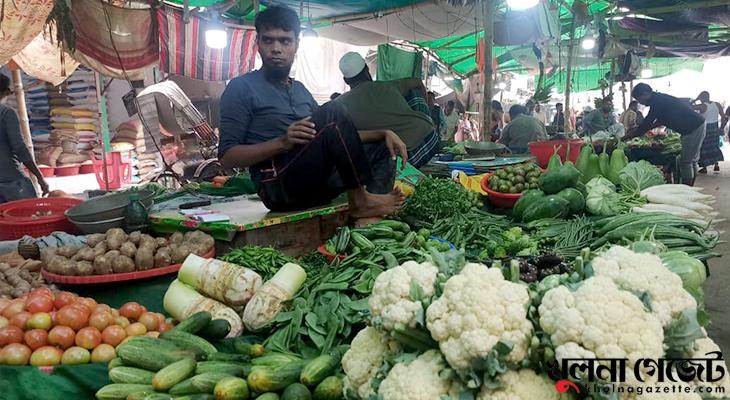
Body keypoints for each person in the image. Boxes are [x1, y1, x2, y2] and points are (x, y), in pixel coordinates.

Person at [217, 5, 405, 223]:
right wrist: (282, 142)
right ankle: (360, 200)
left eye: (285, 41)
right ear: (258, 43)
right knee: (333, 110)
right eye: (268, 40)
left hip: (314, 183)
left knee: (383, 147)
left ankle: (371, 215)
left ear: (296, 44)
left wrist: (382, 133)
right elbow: (227, 157)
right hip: (277, 186)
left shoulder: (300, 91)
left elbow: (334, 135)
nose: (276, 48)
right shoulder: (241, 88)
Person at [335, 52, 440, 168]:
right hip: (431, 138)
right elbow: (418, 83)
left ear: (346, 81)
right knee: (412, 91)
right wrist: (427, 113)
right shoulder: (388, 85)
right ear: (367, 70)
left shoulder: (340, 104)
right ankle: (425, 120)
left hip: (405, 157)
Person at [625, 83, 706, 186]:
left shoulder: (656, 102)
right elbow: (659, 121)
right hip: (696, 125)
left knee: (685, 162)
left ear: (645, 94)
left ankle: (688, 190)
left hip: (693, 128)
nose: (639, 102)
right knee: (692, 160)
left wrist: (625, 137)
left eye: (639, 98)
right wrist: (643, 129)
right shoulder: (659, 99)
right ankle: (691, 188)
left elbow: (645, 125)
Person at [0, 75, 49, 203]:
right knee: (28, 215)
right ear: (5, 92)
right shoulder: (6, 113)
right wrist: (39, 177)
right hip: (11, 182)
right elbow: (19, 148)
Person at [692, 91, 726, 173]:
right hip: (715, 127)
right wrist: (721, 128)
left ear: (702, 98)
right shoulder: (717, 104)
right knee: (714, 146)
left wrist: (694, 100)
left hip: (705, 128)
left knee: (704, 147)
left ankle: (704, 168)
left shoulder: (702, 106)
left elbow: (689, 107)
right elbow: (723, 117)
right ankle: (716, 164)